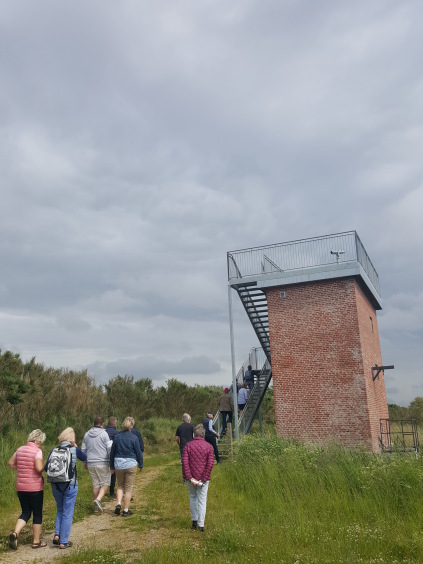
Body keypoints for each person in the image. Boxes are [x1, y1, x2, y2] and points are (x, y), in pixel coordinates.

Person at [44, 427, 87, 549]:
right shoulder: (74, 450)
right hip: (70, 485)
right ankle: (63, 541)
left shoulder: (54, 450)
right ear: (71, 439)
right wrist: (76, 447)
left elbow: (46, 468)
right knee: (67, 512)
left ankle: (57, 535)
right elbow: (85, 457)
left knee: (60, 509)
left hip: (55, 485)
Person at [7, 429, 47, 550]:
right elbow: (39, 468)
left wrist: (21, 469)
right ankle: (36, 541)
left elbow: (10, 463)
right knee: (37, 514)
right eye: (41, 442)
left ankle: (15, 534)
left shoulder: (20, 449)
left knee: (25, 512)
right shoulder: (37, 451)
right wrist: (44, 468)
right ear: (38, 441)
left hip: (21, 487)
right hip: (35, 487)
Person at [182, 424, 215, 532]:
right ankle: (201, 525)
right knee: (202, 500)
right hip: (203, 479)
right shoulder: (209, 447)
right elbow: (210, 464)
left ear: (194, 434)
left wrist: (189, 477)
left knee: (192, 497)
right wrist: (204, 478)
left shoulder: (188, 446)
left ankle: (194, 521)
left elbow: (185, 463)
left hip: (191, 477)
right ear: (203, 435)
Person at [110, 416, 143, 517]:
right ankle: (125, 510)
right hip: (130, 464)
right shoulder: (134, 437)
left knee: (120, 485)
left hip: (118, 464)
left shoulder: (117, 437)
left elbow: (112, 452)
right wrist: (141, 464)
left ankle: (119, 503)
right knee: (128, 488)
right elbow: (138, 453)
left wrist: (111, 466)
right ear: (131, 426)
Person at [81, 416, 113, 513]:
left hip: (90, 462)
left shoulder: (87, 434)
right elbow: (109, 449)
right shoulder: (104, 434)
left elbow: (83, 449)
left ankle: (96, 508)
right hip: (102, 462)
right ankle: (98, 500)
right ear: (102, 424)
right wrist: (111, 462)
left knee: (96, 484)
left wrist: (85, 462)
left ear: (94, 423)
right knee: (106, 483)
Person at [105, 417, 118, 498]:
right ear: (114, 423)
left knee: (104, 473)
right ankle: (111, 491)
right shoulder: (116, 433)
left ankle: (102, 490)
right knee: (113, 473)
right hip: (111, 455)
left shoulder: (103, 431)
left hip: (102, 455)